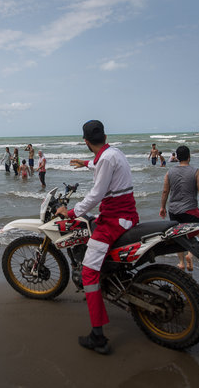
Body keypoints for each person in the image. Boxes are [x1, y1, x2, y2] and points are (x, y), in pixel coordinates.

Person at [55, 120, 139, 355]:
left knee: (89, 273)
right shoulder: (114, 153)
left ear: (85, 141)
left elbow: (95, 195)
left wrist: (70, 212)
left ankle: (98, 336)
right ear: (104, 135)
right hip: (129, 216)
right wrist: (85, 164)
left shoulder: (104, 159)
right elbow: (101, 166)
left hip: (113, 222)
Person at [159, 146, 199, 271]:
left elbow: (165, 191)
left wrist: (162, 207)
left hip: (173, 210)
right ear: (189, 157)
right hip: (190, 210)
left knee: (178, 237)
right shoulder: (196, 171)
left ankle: (181, 263)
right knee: (196, 232)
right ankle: (190, 255)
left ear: (177, 157)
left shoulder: (169, 172)